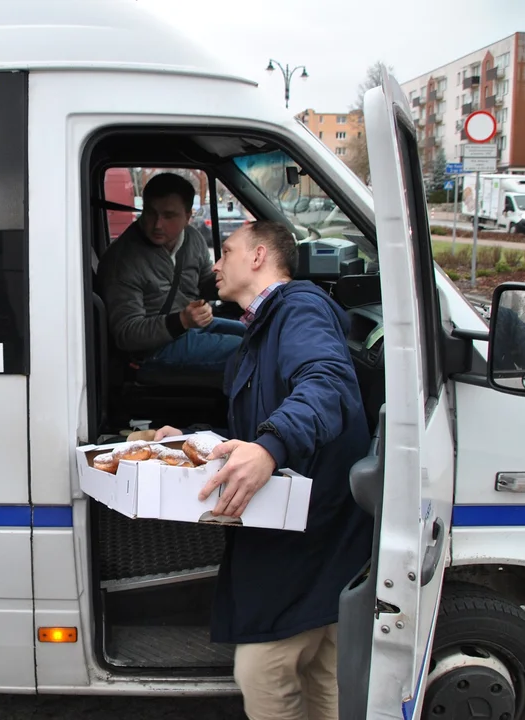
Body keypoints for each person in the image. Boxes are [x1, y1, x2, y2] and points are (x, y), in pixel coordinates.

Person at [156, 221, 373, 720]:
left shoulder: (298, 307)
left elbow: (327, 383)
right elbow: (252, 425)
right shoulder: (261, 327)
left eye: (225, 251)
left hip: (313, 531)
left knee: (262, 670)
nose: (215, 263)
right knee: (323, 677)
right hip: (309, 535)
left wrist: (272, 447)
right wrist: (188, 441)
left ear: (258, 257)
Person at [97, 172, 246, 375]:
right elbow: (126, 334)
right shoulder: (123, 259)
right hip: (151, 350)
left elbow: (204, 283)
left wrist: (240, 282)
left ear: (187, 216)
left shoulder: (193, 239)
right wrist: (182, 320)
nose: (157, 224)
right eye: (150, 213)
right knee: (251, 350)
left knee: (254, 334)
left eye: (169, 216)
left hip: (192, 327)